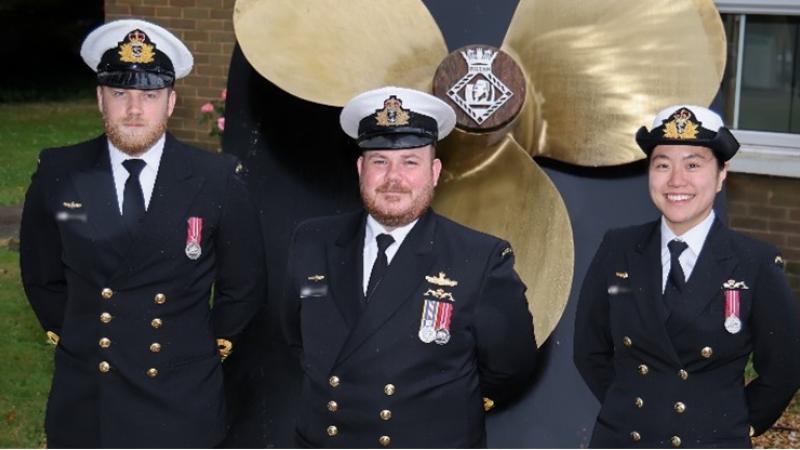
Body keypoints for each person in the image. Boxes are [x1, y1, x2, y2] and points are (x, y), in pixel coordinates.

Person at [19, 19, 266, 448]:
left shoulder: (217, 179)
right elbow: (41, 275)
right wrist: (81, 338)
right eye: (120, 94)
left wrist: (194, 348)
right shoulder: (60, 173)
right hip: (90, 393)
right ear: (100, 99)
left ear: (171, 102)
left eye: (149, 95)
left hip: (181, 394)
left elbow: (243, 285)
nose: (135, 110)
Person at [281, 86, 538, 448]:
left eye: (410, 162)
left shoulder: (479, 258)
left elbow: (510, 366)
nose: (393, 178)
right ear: (360, 169)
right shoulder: (313, 241)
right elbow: (297, 338)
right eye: (380, 161)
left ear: (434, 172)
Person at [574, 104, 800, 448]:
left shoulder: (755, 262)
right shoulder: (618, 247)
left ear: (722, 174)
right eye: (662, 165)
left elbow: (785, 366)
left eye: (693, 164)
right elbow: (589, 349)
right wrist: (629, 409)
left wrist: (733, 425)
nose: (676, 180)